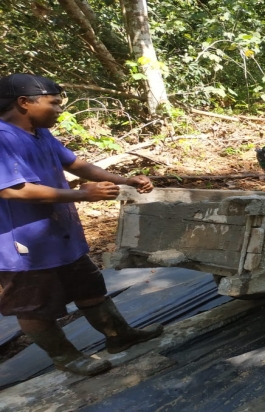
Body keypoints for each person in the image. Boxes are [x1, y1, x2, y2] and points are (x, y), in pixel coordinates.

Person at [0, 73, 163, 376]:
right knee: (35, 305)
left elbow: (77, 165)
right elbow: (12, 189)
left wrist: (124, 179)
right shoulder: (2, 137)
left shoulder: (39, 133)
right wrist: (80, 195)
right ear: (24, 102)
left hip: (60, 235)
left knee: (89, 287)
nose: (59, 110)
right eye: (54, 103)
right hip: (22, 246)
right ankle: (65, 356)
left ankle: (119, 336)